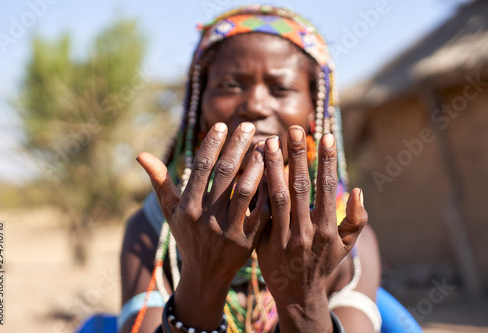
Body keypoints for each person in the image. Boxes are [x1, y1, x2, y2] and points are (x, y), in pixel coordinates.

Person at [120, 5, 382, 333]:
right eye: (230, 85)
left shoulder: (343, 235)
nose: (255, 106)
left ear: (313, 111)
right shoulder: (156, 229)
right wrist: (202, 276)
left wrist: (302, 296)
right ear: (199, 107)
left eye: (281, 89)